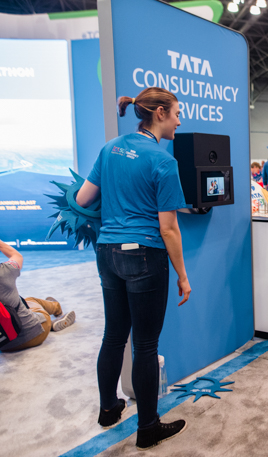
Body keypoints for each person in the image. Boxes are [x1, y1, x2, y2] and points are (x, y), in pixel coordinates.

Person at [76, 87, 191, 450]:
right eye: (175, 113)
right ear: (159, 112)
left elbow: (82, 199)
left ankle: (109, 409)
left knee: (114, 335)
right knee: (144, 344)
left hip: (108, 253)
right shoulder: (163, 161)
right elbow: (169, 228)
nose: (178, 120)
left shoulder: (109, 148)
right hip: (144, 256)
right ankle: (148, 429)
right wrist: (184, 277)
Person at [0, 240, 76, 352]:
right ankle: (55, 311)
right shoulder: (4, 271)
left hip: (5, 345)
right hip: (33, 335)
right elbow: (17, 256)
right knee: (30, 301)